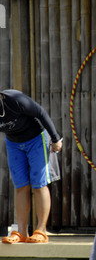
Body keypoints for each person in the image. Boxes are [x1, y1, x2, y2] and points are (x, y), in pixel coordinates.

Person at [0, 90, 63, 244]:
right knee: (20, 185)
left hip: (36, 138)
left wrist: (55, 139)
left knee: (38, 183)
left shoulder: (13, 99)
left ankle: (41, 231)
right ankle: (21, 232)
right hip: (13, 143)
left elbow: (41, 113)